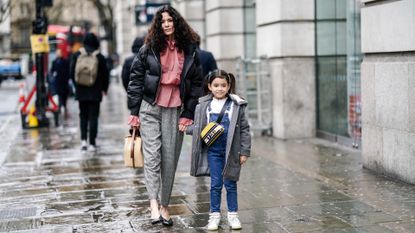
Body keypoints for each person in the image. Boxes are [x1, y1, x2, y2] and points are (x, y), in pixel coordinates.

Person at [126, 5, 203, 226]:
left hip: (175, 109)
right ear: (158, 25)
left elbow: (197, 84)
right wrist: (134, 112)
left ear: (176, 23)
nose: (167, 24)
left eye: (170, 20)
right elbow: (136, 80)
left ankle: (165, 205)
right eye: (163, 21)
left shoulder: (190, 49)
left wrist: (188, 113)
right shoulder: (148, 48)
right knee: (151, 157)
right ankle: (153, 203)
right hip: (150, 107)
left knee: (169, 160)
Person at [187, 69, 251, 231]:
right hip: (213, 151)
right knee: (215, 185)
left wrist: (244, 151)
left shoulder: (236, 105)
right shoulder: (203, 106)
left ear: (229, 86)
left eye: (223, 85)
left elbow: (244, 129)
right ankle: (214, 216)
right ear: (209, 86)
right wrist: (186, 128)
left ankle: (233, 216)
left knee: (230, 184)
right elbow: (199, 127)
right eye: (216, 85)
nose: (219, 88)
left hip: (232, 152)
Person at [69, 32, 109, 152]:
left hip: (81, 91)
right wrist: (104, 89)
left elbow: (71, 73)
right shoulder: (99, 57)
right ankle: (92, 143)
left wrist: (77, 86)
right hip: (95, 92)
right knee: (93, 117)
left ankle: (83, 142)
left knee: (83, 116)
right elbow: (105, 75)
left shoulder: (77, 55)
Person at [50, 48, 70, 115]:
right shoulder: (54, 62)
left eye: (59, 53)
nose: (58, 54)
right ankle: (59, 106)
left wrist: (67, 78)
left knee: (64, 95)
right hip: (58, 82)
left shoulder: (65, 61)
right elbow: (52, 70)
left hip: (64, 81)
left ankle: (64, 106)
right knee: (59, 95)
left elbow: (68, 71)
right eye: (57, 53)